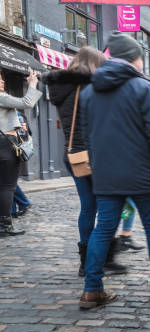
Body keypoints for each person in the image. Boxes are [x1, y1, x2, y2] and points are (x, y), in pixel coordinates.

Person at [77, 31, 150, 309]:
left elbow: (87, 136)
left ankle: (91, 288)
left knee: (103, 229)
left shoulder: (88, 92)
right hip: (143, 174)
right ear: (136, 59)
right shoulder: (143, 89)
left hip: (106, 175)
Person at [42, 46, 126, 277]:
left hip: (74, 156)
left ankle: (84, 262)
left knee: (88, 207)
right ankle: (104, 258)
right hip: (97, 155)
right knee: (111, 207)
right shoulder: (92, 87)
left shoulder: (61, 88)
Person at [0, 68, 42, 237]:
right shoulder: (1, 97)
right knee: (7, 187)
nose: (2, 81)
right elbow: (27, 103)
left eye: (2, 79)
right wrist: (32, 84)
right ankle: (5, 225)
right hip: (5, 144)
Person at [11, 113, 32, 218]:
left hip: (14, 152)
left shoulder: (17, 115)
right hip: (9, 151)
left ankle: (24, 203)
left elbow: (23, 133)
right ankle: (12, 211)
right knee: (8, 182)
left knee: (9, 183)